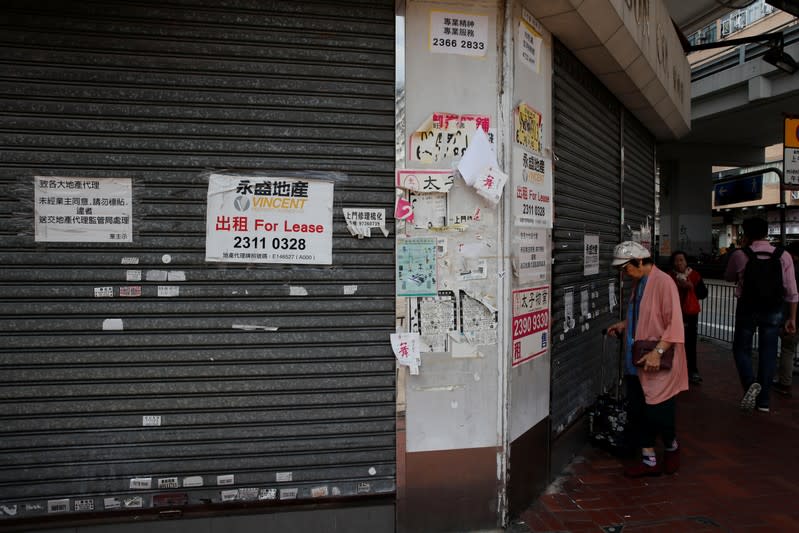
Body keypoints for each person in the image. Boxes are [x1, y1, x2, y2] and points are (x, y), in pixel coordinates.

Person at [607, 241, 688, 477]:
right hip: (638, 358)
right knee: (638, 409)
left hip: (657, 358)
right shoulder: (639, 283)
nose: (624, 274)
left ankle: (671, 446)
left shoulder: (664, 283)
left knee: (660, 411)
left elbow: (673, 323)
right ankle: (649, 458)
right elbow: (643, 315)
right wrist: (625, 324)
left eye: (626, 268)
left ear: (640, 261)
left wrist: (658, 352)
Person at [724, 217, 798, 412]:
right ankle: (764, 402)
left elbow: (729, 276)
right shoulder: (784, 256)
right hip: (774, 310)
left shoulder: (740, 255)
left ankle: (750, 385)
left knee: (741, 349)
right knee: (769, 353)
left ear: (745, 233)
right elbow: (792, 291)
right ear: (766, 232)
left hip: (747, 308)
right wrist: (792, 318)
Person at [669, 251, 708, 385]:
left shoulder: (694, 275)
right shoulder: (669, 277)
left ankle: (692, 371)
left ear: (686, 262)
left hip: (690, 314)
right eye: (676, 260)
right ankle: (675, 370)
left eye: (681, 260)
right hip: (673, 313)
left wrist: (691, 287)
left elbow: (703, 293)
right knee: (674, 342)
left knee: (690, 342)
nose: (679, 263)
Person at [776, 241, 799, 397]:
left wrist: (790, 318)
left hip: (794, 316)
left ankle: (784, 383)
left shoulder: (792, 270)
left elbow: (790, 295)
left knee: (787, 349)